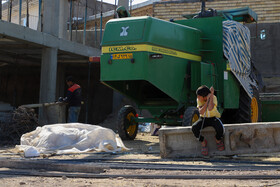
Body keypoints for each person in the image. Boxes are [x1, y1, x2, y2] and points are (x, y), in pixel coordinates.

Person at [192, 85, 225, 156]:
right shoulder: (199, 100)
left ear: (204, 96)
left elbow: (210, 108)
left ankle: (217, 139)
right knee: (194, 128)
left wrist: (211, 96)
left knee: (220, 128)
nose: (197, 98)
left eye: (199, 96)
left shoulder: (214, 98)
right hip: (203, 118)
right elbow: (201, 112)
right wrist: (207, 101)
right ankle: (203, 142)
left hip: (213, 117)